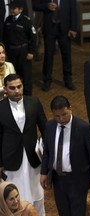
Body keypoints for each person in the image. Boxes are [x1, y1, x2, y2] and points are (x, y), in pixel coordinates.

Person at [40, 95, 90, 216]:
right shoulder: (50, 126)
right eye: (57, 116)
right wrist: (43, 172)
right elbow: (47, 151)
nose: (61, 119)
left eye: (64, 114)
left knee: (77, 212)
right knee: (63, 212)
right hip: (58, 178)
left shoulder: (84, 128)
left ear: (70, 109)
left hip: (77, 178)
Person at [0, 74, 47, 215]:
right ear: (5, 89)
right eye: (12, 88)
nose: (16, 90)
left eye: (19, 87)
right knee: (14, 198)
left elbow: (45, 129)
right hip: (11, 158)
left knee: (37, 194)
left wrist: (47, 156)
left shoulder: (34, 102)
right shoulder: (0, 108)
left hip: (33, 157)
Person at [33, 0, 78, 91]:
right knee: (48, 55)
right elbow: (35, 5)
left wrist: (73, 28)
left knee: (66, 55)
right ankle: (47, 81)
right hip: (49, 28)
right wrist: (47, 6)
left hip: (65, 28)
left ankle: (68, 80)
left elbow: (74, 10)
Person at [3, 0, 36, 96]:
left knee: (26, 76)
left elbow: (33, 37)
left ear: (20, 9)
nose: (11, 10)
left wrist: (31, 52)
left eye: (14, 8)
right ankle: (15, 95)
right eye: (10, 8)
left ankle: (27, 97)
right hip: (11, 52)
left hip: (23, 52)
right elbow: (5, 36)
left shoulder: (26, 21)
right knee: (13, 74)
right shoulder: (8, 20)